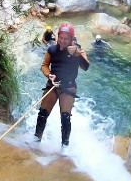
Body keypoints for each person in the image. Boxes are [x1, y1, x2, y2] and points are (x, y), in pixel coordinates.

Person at [34, 22, 90, 152]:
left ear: (71, 39)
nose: (63, 41)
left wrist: (77, 54)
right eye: (61, 38)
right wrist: (49, 75)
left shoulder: (78, 51)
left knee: (65, 117)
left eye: (66, 38)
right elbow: (44, 65)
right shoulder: (52, 49)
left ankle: (64, 147)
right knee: (42, 113)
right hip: (53, 85)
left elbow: (86, 67)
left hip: (68, 88)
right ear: (58, 37)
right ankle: (36, 140)